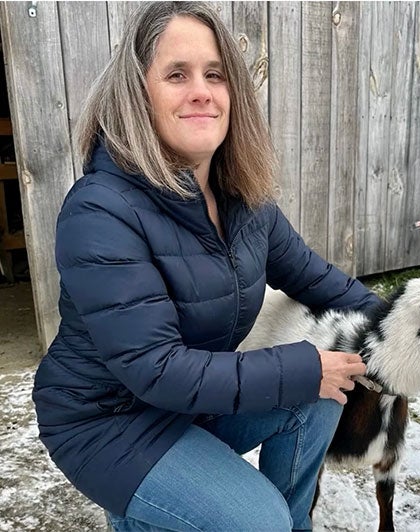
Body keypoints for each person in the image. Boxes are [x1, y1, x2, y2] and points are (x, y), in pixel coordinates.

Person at [32, 2, 380, 531]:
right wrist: (306, 364)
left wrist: (401, 329)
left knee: (325, 391)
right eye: (177, 74)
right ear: (137, 95)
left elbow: (317, 280)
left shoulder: (244, 200)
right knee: (255, 520)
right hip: (107, 422)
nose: (201, 90)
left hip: (189, 402)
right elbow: (156, 368)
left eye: (214, 74)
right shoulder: (100, 210)